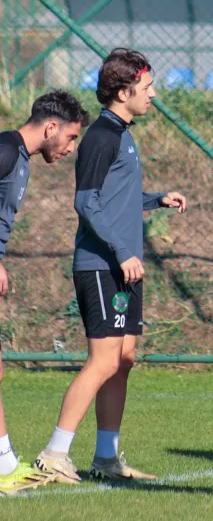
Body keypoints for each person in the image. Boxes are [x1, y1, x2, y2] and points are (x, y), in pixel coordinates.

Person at [34, 51, 187, 484]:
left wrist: (156, 199)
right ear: (124, 92)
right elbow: (86, 203)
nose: (154, 93)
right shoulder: (102, 135)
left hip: (122, 266)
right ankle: (54, 453)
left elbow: (113, 200)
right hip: (101, 265)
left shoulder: (123, 133)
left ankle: (106, 459)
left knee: (123, 358)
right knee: (103, 360)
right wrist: (121, 250)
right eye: (148, 86)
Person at [0, 91, 90, 496]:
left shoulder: (18, 158)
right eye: (70, 138)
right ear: (50, 127)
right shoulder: (5, 150)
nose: (71, 148)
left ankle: (4, 465)